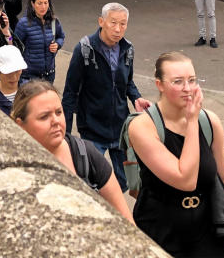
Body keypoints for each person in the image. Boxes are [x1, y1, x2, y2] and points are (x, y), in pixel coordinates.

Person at [128, 52, 224, 258]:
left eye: (192, 80)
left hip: (208, 232)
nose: (188, 89)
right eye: (178, 82)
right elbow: (185, 179)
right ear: (159, 85)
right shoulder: (143, 127)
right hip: (160, 232)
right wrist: (191, 123)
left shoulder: (210, 122)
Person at [12, 80, 134, 223]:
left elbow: (125, 219)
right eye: (44, 116)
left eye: (59, 112)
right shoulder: (14, 168)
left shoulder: (86, 154)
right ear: (21, 125)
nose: (55, 121)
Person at [62, 2, 151, 192]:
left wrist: (136, 98)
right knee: (93, 182)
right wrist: (66, 135)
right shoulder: (85, 49)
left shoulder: (128, 49)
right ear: (101, 21)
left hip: (120, 128)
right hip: (92, 129)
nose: (118, 29)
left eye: (123, 24)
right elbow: (70, 92)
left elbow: (127, 82)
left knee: (125, 181)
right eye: (113, 23)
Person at [13, 0, 65, 82]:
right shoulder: (23, 23)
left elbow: (61, 36)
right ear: (32, 4)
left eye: (46, 3)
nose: (43, 7)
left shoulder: (53, 21)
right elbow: (15, 47)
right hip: (30, 77)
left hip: (49, 74)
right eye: (39, 3)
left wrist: (57, 44)